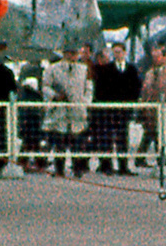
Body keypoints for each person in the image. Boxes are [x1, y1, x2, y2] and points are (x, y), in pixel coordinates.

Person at [42, 47, 92, 177]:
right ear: (65, 53)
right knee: (60, 141)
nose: (74, 56)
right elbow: (45, 86)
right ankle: (59, 169)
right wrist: (54, 96)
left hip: (77, 110)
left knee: (78, 142)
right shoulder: (52, 69)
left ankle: (78, 168)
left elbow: (89, 87)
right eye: (71, 53)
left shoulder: (83, 69)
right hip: (60, 111)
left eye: (75, 53)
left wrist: (85, 103)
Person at [92, 43, 141, 174]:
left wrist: (131, 103)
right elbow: (101, 88)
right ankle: (106, 166)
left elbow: (136, 87)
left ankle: (123, 166)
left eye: (119, 52)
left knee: (122, 138)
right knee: (107, 138)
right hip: (109, 109)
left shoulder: (131, 69)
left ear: (124, 53)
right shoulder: (106, 69)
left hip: (124, 109)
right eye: (115, 52)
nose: (117, 55)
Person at [136, 44, 166, 164]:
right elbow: (145, 90)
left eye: (158, 56)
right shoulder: (149, 73)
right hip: (151, 109)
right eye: (154, 56)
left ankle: (152, 157)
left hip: (162, 108)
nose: (155, 59)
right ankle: (145, 157)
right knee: (151, 132)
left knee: (156, 133)